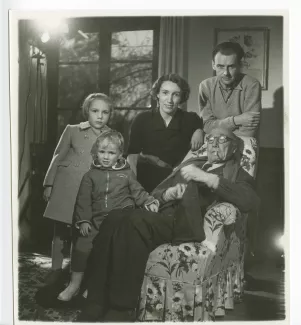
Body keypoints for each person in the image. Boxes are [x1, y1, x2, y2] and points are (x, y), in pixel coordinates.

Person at [77, 127, 260, 322]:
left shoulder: (234, 172)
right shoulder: (192, 163)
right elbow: (155, 195)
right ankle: (96, 301)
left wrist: (207, 178)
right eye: (211, 139)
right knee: (115, 217)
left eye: (222, 140)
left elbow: (250, 201)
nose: (214, 144)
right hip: (163, 216)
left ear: (233, 148)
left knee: (134, 220)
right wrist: (168, 194)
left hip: (188, 224)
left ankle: (121, 309)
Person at [57, 130, 159, 301]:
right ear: (96, 152)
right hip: (94, 222)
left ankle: (95, 286)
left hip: (118, 223)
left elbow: (137, 191)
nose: (105, 157)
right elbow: (83, 200)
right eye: (102, 152)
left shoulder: (126, 174)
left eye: (111, 153)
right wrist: (83, 221)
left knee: (110, 253)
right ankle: (74, 285)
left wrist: (148, 201)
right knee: (82, 247)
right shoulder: (89, 176)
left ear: (119, 155)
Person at [42, 93, 113, 285]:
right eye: (95, 111)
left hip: (89, 194)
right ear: (86, 111)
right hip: (66, 189)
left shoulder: (111, 137)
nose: (99, 116)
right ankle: (56, 269)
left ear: (110, 115)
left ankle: (75, 272)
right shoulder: (73, 130)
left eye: (105, 112)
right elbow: (57, 157)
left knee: (80, 235)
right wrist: (49, 184)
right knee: (59, 233)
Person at [127, 73, 204, 193]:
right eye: (165, 93)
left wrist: (199, 131)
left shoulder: (191, 119)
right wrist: (133, 185)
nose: (170, 100)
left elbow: (201, 125)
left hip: (178, 182)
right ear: (157, 94)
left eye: (176, 95)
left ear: (182, 97)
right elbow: (132, 155)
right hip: (146, 180)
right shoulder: (142, 119)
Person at [199, 42, 262, 137]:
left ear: (240, 65)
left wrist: (219, 129)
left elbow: (250, 129)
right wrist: (237, 120)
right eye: (220, 66)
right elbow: (206, 126)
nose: (225, 73)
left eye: (231, 66)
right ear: (213, 65)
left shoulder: (252, 85)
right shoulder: (205, 86)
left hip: (243, 141)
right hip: (215, 142)